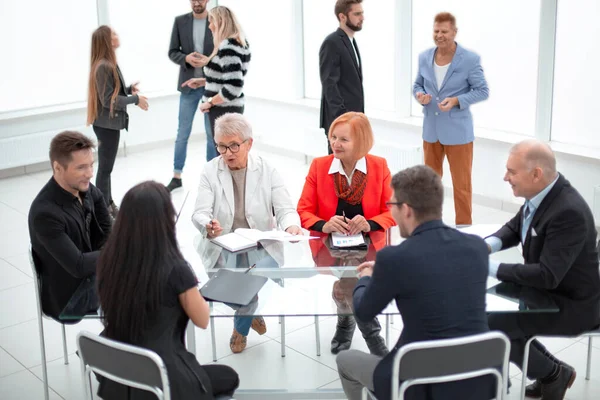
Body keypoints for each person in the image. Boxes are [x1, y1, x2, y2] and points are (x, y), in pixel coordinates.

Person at [336, 165, 495, 400]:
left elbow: (364, 310)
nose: (392, 212)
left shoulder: (394, 258)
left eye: (392, 206)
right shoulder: (477, 247)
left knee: (345, 360)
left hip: (418, 381)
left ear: (407, 210)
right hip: (478, 376)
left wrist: (366, 279)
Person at [96, 181, 239, 399]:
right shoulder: (175, 268)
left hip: (119, 374)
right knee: (228, 376)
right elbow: (202, 320)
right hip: (163, 377)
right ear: (164, 221)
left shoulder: (109, 260)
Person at [485, 140, 600, 400]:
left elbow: (547, 275)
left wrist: (489, 268)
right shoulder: (544, 194)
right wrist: (486, 247)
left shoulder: (567, 211)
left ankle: (553, 375)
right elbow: (516, 228)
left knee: (494, 325)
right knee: (494, 318)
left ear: (536, 173)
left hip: (573, 305)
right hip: (548, 293)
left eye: (511, 172)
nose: (506, 177)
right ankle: (554, 372)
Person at [192, 113, 302, 353]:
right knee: (227, 290)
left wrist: (291, 225)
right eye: (221, 146)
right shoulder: (210, 171)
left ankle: (240, 330)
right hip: (222, 244)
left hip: (260, 246)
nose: (227, 153)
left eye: (233, 145)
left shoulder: (267, 170)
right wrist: (208, 224)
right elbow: (199, 212)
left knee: (248, 286)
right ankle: (251, 311)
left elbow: (285, 209)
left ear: (249, 143)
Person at [297, 112, 394, 357]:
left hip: (369, 244)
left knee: (347, 285)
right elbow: (304, 210)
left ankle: (346, 322)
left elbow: (393, 209)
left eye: (343, 139)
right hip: (330, 245)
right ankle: (373, 338)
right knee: (352, 283)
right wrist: (324, 224)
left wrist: (370, 222)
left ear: (360, 142)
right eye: (333, 137)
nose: (335, 144)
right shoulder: (320, 166)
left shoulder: (379, 166)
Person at [412, 12, 489, 225]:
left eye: (444, 31)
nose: (439, 35)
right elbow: (417, 85)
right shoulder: (424, 57)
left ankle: (464, 230)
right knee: (429, 185)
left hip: (458, 133)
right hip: (431, 131)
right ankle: (430, 227)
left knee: (462, 186)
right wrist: (420, 95)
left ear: (454, 32)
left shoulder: (469, 59)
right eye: (436, 31)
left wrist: (456, 100)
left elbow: (482, 91)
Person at [28, 131, 112, 322]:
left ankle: (113, 346)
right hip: (68, 297)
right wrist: (119, 252)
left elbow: (107, 229)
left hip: (93, 274)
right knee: (142, 295)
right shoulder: (45, 213)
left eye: (91, 165)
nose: (90, 174)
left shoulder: (86, 188)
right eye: (81, 167)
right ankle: (109, 348)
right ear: (58, 168)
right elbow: (78, 266)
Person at [87, 25, 149, 217]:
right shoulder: (104, 66)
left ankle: (108, 202)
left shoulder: (108, 63)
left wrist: (129, 90)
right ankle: (102, 208)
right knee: (105, 169)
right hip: (106, 125)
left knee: (107, 168)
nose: (117, 35)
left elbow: (112, 92)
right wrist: (135, 100)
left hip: (108, 124)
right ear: (107, 40)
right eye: (113, 34)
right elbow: (108, 101)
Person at [182, 5, 251, 161]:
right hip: (225, 109)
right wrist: (202, 82)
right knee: (226, 157)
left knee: (225, 158)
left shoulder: (229, 47)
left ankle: (223, 186)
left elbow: (233, 87)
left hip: (223, 110)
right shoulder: (237, 44)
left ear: (220, 22)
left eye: (211, 21)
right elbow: (227, 77)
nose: (209, 26)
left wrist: (210, 102)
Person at [166, 0, 215, 192]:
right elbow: (172, 52)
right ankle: (177, 176)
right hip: (187, 87)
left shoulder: (216, 21)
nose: (196, 2)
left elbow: (220, 51)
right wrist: (185, 58)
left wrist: (207, 61)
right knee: (182, 133)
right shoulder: (180, 22)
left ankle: (212, 177)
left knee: (211, 134)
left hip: (210, 86)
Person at [319, 0, 365, 154]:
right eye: (357, 14)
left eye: (362, 13)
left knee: (352, 169)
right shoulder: (332, 42)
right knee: (337, 170)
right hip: (341, 123)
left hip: (352, 121)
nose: (362, 17)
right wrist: (342, 119)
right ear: (342, 17)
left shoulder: (351, 41)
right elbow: (329, 84)